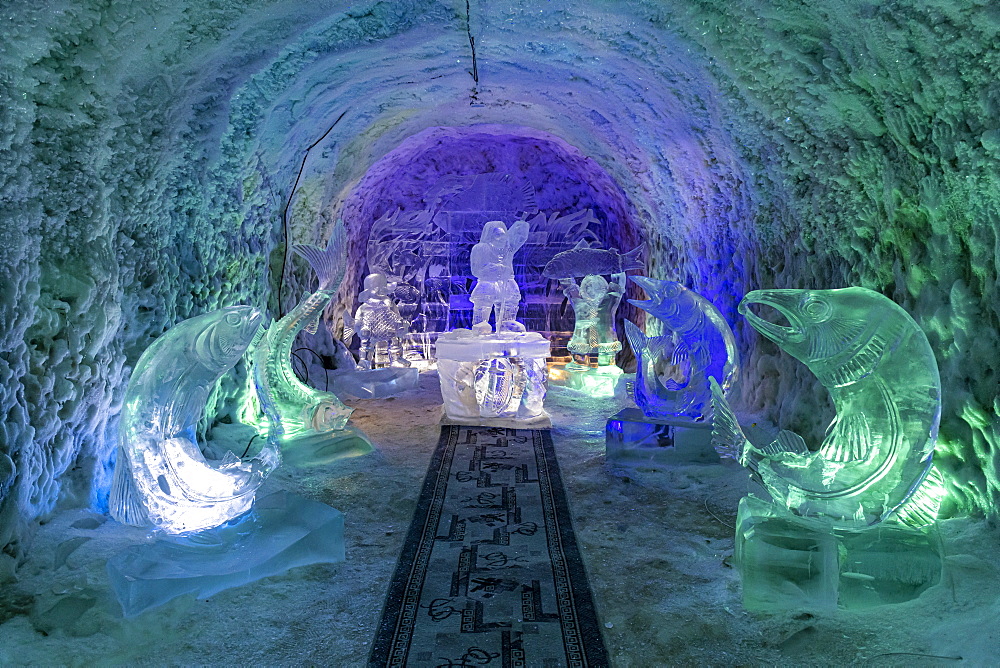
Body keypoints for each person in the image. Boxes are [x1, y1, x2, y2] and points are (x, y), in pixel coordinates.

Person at [469, 219, 529, 334]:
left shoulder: (508, 249)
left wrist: (521, 223)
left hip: (507, 282)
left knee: (511, 300)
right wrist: (493, 268)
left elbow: (521, 237)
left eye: (503, 234)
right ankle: (480, 325)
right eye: (498, 235)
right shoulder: (481, 248)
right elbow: (476, 270)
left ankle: (507, 323)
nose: (502, 238)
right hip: (488, 283)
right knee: (483, 303)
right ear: (490, 236)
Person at [559, 272, 626, 366]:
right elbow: (568, 286)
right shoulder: (579, 301)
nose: (592, 291)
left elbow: (618, 285)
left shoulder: (609, 300)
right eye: (589, 287)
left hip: (606, 343)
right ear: (584, 289)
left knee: (606, 369)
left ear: (602, 288)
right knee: (579, 367)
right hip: (580, 343)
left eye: (596, 288)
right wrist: (564, 268)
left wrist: (618, 268)